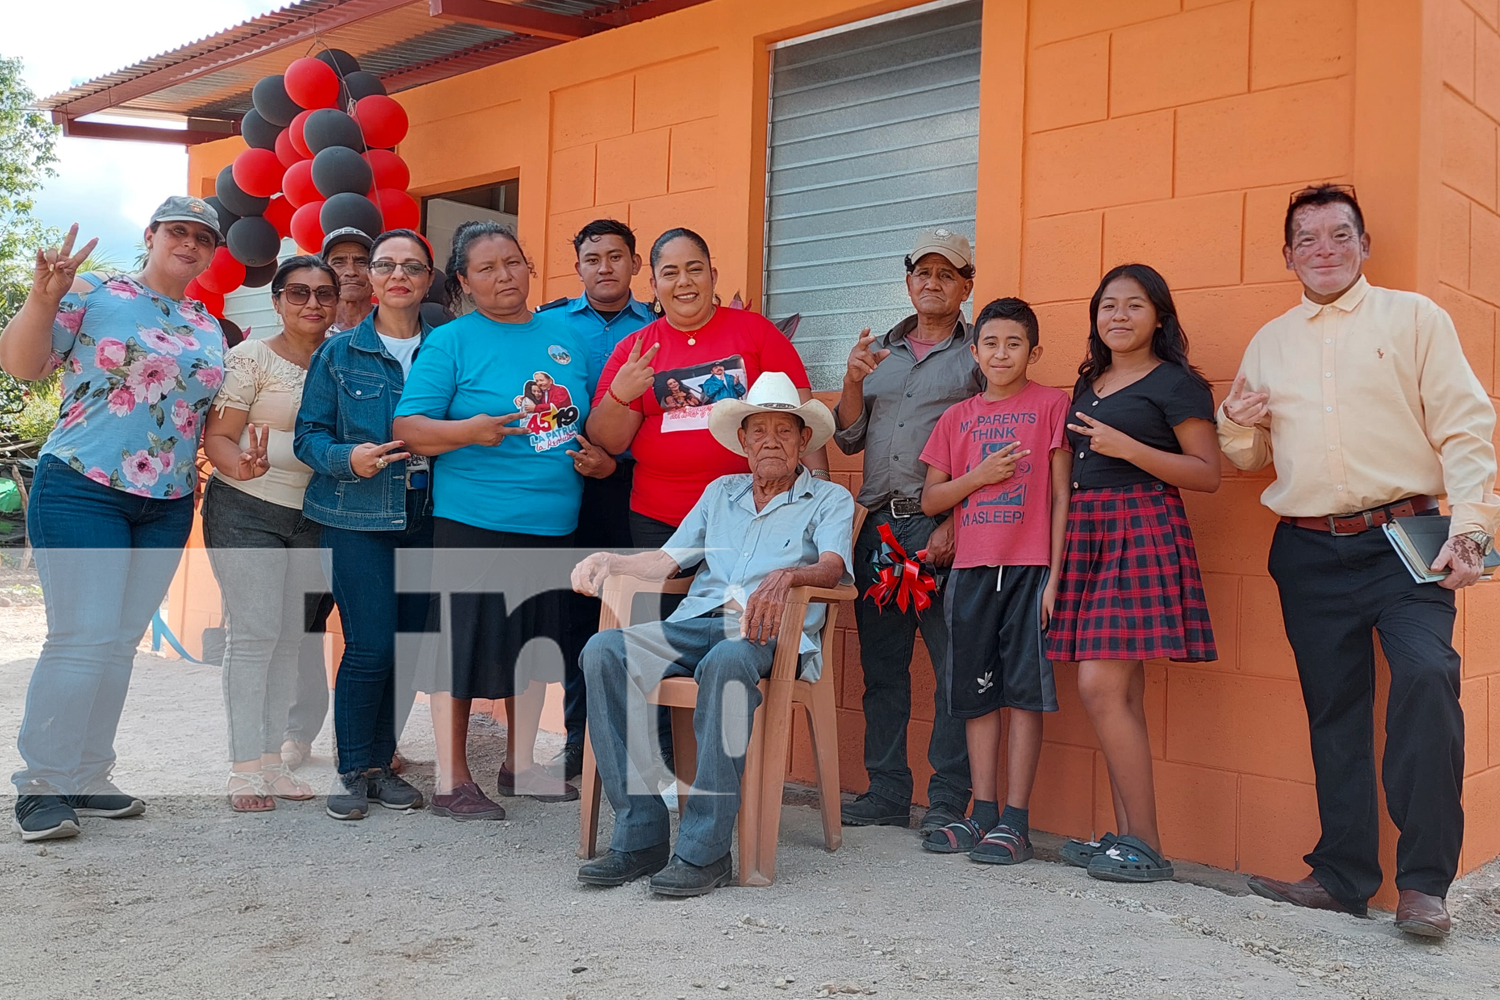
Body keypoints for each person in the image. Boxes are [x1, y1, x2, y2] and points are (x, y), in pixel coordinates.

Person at [1220, 185, 1498, 938]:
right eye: (1305, 239)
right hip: (1308, 547)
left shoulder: (1414, 319)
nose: (1323, 249)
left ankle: (1424, 885)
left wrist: (1471, 529)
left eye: (1338, 235)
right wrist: (1235, 425)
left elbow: (1468, 428)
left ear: (1363, 244)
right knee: (1334, 711)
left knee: (1427, 677)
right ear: (1288, 255)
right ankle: (1342, 877)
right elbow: (1249, 451)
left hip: (1410, 540)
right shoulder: (1270, 340)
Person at [572, 372, 853, 896]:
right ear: (743, 442)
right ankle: (640, 836)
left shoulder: (828, 499)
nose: (771, 440)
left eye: (784, 431)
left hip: (770, 636)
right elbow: (667, 561)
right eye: (759, 430)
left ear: (803, 441)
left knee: (726, 660)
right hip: (698, 624)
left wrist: (789, 575)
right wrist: (612, 560)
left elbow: (834, 568)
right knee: (604, 651)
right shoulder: (720, 493)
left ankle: (704, 851)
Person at [0, 198, 226, 841]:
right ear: (151, 236)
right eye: (177, 232)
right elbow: (19, 364)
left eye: (202, 238)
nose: (189, 244)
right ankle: (42, 786)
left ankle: (89, 774)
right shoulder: (94, 293)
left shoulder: (207, 324)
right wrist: (43, 299)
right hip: (82, 485)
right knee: (81, 638)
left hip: (168, 502)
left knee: (118, 642)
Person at [394, 221, 599, 818]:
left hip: (553, 519)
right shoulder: (452, 341)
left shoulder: (564, 335)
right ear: (463, 281)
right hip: (475, 519)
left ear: (529, 266)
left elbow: (571, 416)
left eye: (512, 262)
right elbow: (409, 428)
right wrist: (469, 432)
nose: (504, 276)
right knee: (459, 648)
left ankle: (521, 766)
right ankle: (452, 781)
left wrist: (592, 454)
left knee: (533, 647)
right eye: (486, 269)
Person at [1045, 263, 1220, 883]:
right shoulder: (1088, 382)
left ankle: (1143, 843)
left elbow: (1207, 473)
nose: (1118, 316)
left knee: (1098, 685)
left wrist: (1132, 450)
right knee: (1122, 694)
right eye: (1107, 306)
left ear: (1160, 317)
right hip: (1089, 532)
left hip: (1142, 528)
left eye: (1134, 305)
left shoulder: (1177, 384)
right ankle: (1128, 837)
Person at [832, 228, 984, 834]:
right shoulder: (881, 353)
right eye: (923, 272)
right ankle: (887, 791)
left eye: (947, 274)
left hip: (938, 526)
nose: (933, 283)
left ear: (967, 284)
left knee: (952, 667)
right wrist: (849, 381)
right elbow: (847, 437)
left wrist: (955, 519)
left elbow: (990, 441)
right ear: (908, 281)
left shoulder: (978, 355)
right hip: (879, 529)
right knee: (883, 667)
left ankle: (948, 799)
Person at [916, 298, 1071, 864]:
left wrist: (1055, 577)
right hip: (972, 571)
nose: (1000, 354)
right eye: (990, 343)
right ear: (974, 350)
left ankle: (1016, 819)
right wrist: (978, 477)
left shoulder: (1052, 405)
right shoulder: (957, 418)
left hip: (1030, 571)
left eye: (1013, 344)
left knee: (1024, 695)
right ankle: (981, 810)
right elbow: (932, 497)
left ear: (1032, 351)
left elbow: (1060, 497)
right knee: (977, 697)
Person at [294, 228, 437, 822]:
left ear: (429, 279)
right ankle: (353, 769)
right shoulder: (339, 352)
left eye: (413, 266)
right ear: (370, 278)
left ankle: (383, 763)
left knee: (406, 647)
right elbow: (308, 435)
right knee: (371, 644)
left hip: (431, 517)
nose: (398, 274)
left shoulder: (448, 348)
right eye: (386, 265)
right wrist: (345, 459)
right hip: (356, 515)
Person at [587, 227, 828, 549]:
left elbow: (802, 418)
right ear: (654, 285)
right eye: (670, 273)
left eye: (694, 269)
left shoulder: (757, 332)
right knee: (667, 602)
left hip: (753, 512)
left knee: (743, 602)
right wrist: (620, 395)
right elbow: (610, 442)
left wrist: (821, 488)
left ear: (712, 275)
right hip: (660, 520)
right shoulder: (633, 351)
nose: (683, 281)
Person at [201, 256, 335, 811]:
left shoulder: (343, 359)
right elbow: (220, 436)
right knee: (254, 636)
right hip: (246, 508)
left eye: (324, 294)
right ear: (277, 300)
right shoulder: (250, 358)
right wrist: (240, 466)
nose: (313, 303)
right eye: (299, 293)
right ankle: (242, 770)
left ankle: (274, 763)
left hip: (315, 516)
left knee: (289, 639)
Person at [535, 219, 655, 782]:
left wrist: (615, 462)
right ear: (577, 265)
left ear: (636, 264)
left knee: (636, 613)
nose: (604, 267)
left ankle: (646, 745)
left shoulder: (660, 328)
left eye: (616, 256)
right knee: (575, 616)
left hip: (633, 488)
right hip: (562, 488)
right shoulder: (546, 325)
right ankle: (580, 743)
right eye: (591, 258)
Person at [282, 226, 378, 769]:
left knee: (375, 630)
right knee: (306, 620)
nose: (348, 270)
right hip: (305, 501)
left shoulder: (400, 330)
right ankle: (300, 730)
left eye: (359, 259)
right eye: (336, 260)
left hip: (377, 507)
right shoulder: (308, 329)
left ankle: (366, 742)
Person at [322, 227, 375, 333]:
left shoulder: (393, 326)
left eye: (361, 262)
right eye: (338, 262)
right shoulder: (312, 329)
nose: (351, 272)